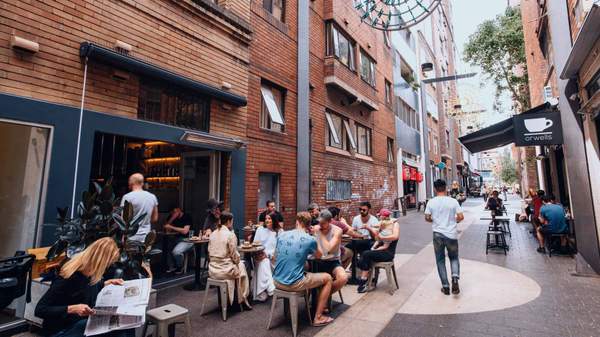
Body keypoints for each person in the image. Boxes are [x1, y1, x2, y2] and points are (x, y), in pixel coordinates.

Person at [35, 238, 133, 337]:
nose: (108, 267)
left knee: (126, 324)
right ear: (100, 262)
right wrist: (72, 309)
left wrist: (106, 283)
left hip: (77, 326)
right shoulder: (69, 278)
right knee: (88, 325)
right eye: (108, 263)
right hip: (61, 330)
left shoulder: (89, 275)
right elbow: (40, 310)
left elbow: (87, 288)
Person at [273, 212, 334, 326]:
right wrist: (316, 235)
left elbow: (276, 257)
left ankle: (292, 310)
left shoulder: (282, 234)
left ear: (297, 222)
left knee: (305, 266)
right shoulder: (309, 239)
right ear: (308, 225)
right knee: (328, 278)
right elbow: (320, 255)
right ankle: (318, 317)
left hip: (276, 281)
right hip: (293, 283)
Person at [424, 179, 464, 295]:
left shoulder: (431, 202)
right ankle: (455, 278)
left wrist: (434, 220)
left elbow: (427, 218)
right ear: (446, 188)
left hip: (437, 235)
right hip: (451, 234)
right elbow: (461, 217)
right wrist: (453, 221)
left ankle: (445, 287)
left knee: (440, 260)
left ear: (435, 189)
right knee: (454, 258)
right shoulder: (453, 201)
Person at [208, 211, 251, 309]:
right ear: (228, 221)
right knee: (245, 265)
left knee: (240, 266)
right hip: (226, 271)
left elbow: (209, 252)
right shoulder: (230, 235)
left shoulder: (213, 234)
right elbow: (235, 256)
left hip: (212, 270)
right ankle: (242, 299)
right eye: (232, 221)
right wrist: (238, 260)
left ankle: (226, 301)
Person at [355, 209, 400, 293]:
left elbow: (395, 236)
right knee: (365, 253)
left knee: (365, 255)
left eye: (380, 215)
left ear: (384, 216)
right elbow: (377, 238)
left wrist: (382, 238)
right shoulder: (381, 224)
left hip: (388, 253)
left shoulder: (395, 224)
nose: (378, 217)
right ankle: (367, 280)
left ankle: (363, 281)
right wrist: (371, 231)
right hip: (381, 249)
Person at [312, 210, 348, 296]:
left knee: (343, 278)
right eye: (319, 222)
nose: (320, 225)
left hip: (332, 261)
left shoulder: (337, 231)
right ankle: (320, 298)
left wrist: (319, 233)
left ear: (330, 221)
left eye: (323, 223)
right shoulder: (316, 228)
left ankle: (323, 296)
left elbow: (329, 249)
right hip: (316, 261)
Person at [120, 173, 158, 242]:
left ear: (131, 182)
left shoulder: (127, 197)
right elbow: (155, 218)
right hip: (146, 237)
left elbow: (123, 219)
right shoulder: (152, 197)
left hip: (130, 237)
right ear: (142, 183)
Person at [252, 213, 280, 301]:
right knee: (264, 261)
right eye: (266, 218)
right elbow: (255, 244)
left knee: (265, 261)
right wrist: (259, 254)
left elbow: (279, 250)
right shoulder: (260, 229)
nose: (267, 220)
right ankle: (270, 288)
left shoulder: (278, 232)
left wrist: (268, 255)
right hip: (260, 256)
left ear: (274, 220)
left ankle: (262, 291)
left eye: (269, 218)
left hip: (273, 259)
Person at [163, 207, 194, 274]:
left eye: (175, 212)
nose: (173, 214)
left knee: (176, 252)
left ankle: (180, 266)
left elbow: (185, 231)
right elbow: (166, 229)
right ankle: (171, 266)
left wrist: (171, 227)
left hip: (187, 240)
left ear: (179, 210)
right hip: (176, 239)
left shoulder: (186, 216)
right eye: (172, 213)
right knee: (165, 247)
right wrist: (172, 219)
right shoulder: (172, 217)